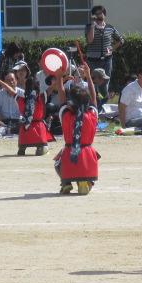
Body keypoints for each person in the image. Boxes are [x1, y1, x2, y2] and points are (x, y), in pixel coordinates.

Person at [53, 63, 99, 195]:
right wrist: (89, 76)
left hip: (69, 153)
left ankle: (66, 182)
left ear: (70, 104)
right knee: (92, 159)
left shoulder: (66, 116)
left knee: (57, 161)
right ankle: (85, 182)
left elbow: (61, 96)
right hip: (88, 154)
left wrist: (59, 78)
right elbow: (94, 98)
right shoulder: (91, 115)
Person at [0, 75, 56, 156]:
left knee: (22, 148)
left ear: (26, 87)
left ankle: (22, 149)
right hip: (39, 128)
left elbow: (9, 89)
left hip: (25, 128)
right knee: (43, 150)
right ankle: (40, 148)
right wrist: (64, 78)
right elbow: (54, 85)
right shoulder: (41, 98)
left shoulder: (21, 100)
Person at [84, 5, 124, 98]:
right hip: (93, 60)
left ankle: (104, 101)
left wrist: (111, 48)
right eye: (96, 14)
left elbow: (121, 40)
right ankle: (94, 100)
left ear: (104, 15)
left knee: (105, 83)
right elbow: (90, 40)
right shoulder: (89, 27)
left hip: (107, 60)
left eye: (100, 13)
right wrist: (93, 25)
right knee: (94, 82)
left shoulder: (109, 27)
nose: (98, 15)